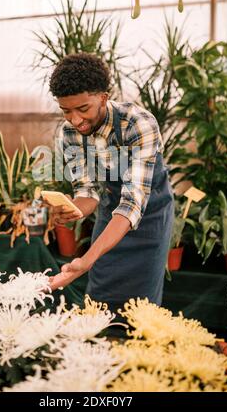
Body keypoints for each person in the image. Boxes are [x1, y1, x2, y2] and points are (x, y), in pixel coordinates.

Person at [48, 52, 174, 313]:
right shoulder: (70, 132)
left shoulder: (138, 124)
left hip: (149, 217)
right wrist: (72, 209)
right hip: (110, 214)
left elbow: (132, 203)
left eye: (83, 109)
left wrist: (87, 258)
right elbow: (88, 192)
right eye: (66, 111)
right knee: (99, 298)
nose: (75, 120)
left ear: (103, 97)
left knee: (141, 308)